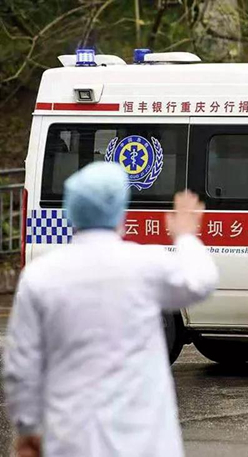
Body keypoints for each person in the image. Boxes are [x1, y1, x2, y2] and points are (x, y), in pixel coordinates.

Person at [3, 162, 218, 457]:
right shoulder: (145, 265)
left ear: (71, 211)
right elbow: (202, 281)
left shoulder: (40, 276)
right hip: (144, 442)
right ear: (121, 212)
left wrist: (28, 429)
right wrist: (185, 235)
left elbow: (22, 365)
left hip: (69, 441)